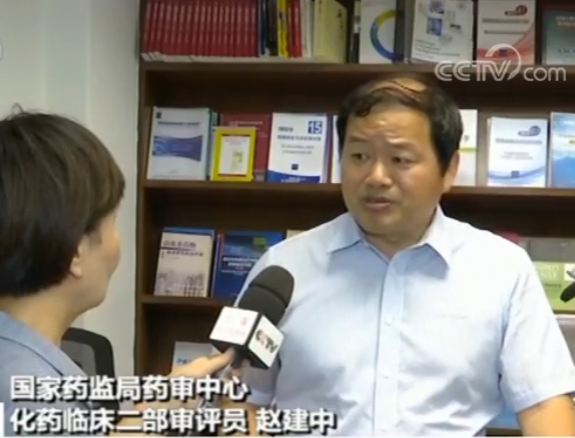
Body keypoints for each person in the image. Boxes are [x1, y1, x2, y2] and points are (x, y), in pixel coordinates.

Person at [224, 73, 575, 435]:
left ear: (449, 170)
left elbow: (544, 405)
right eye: (359, 156)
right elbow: (240, 401)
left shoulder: (502, 269)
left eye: (400, 159)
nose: (376, 176)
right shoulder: (282, 268)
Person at [0, 109, 234, 435]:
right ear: (75, 252)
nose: (117, 244)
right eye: (112, 223)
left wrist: (151, 412)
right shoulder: (40, 401)